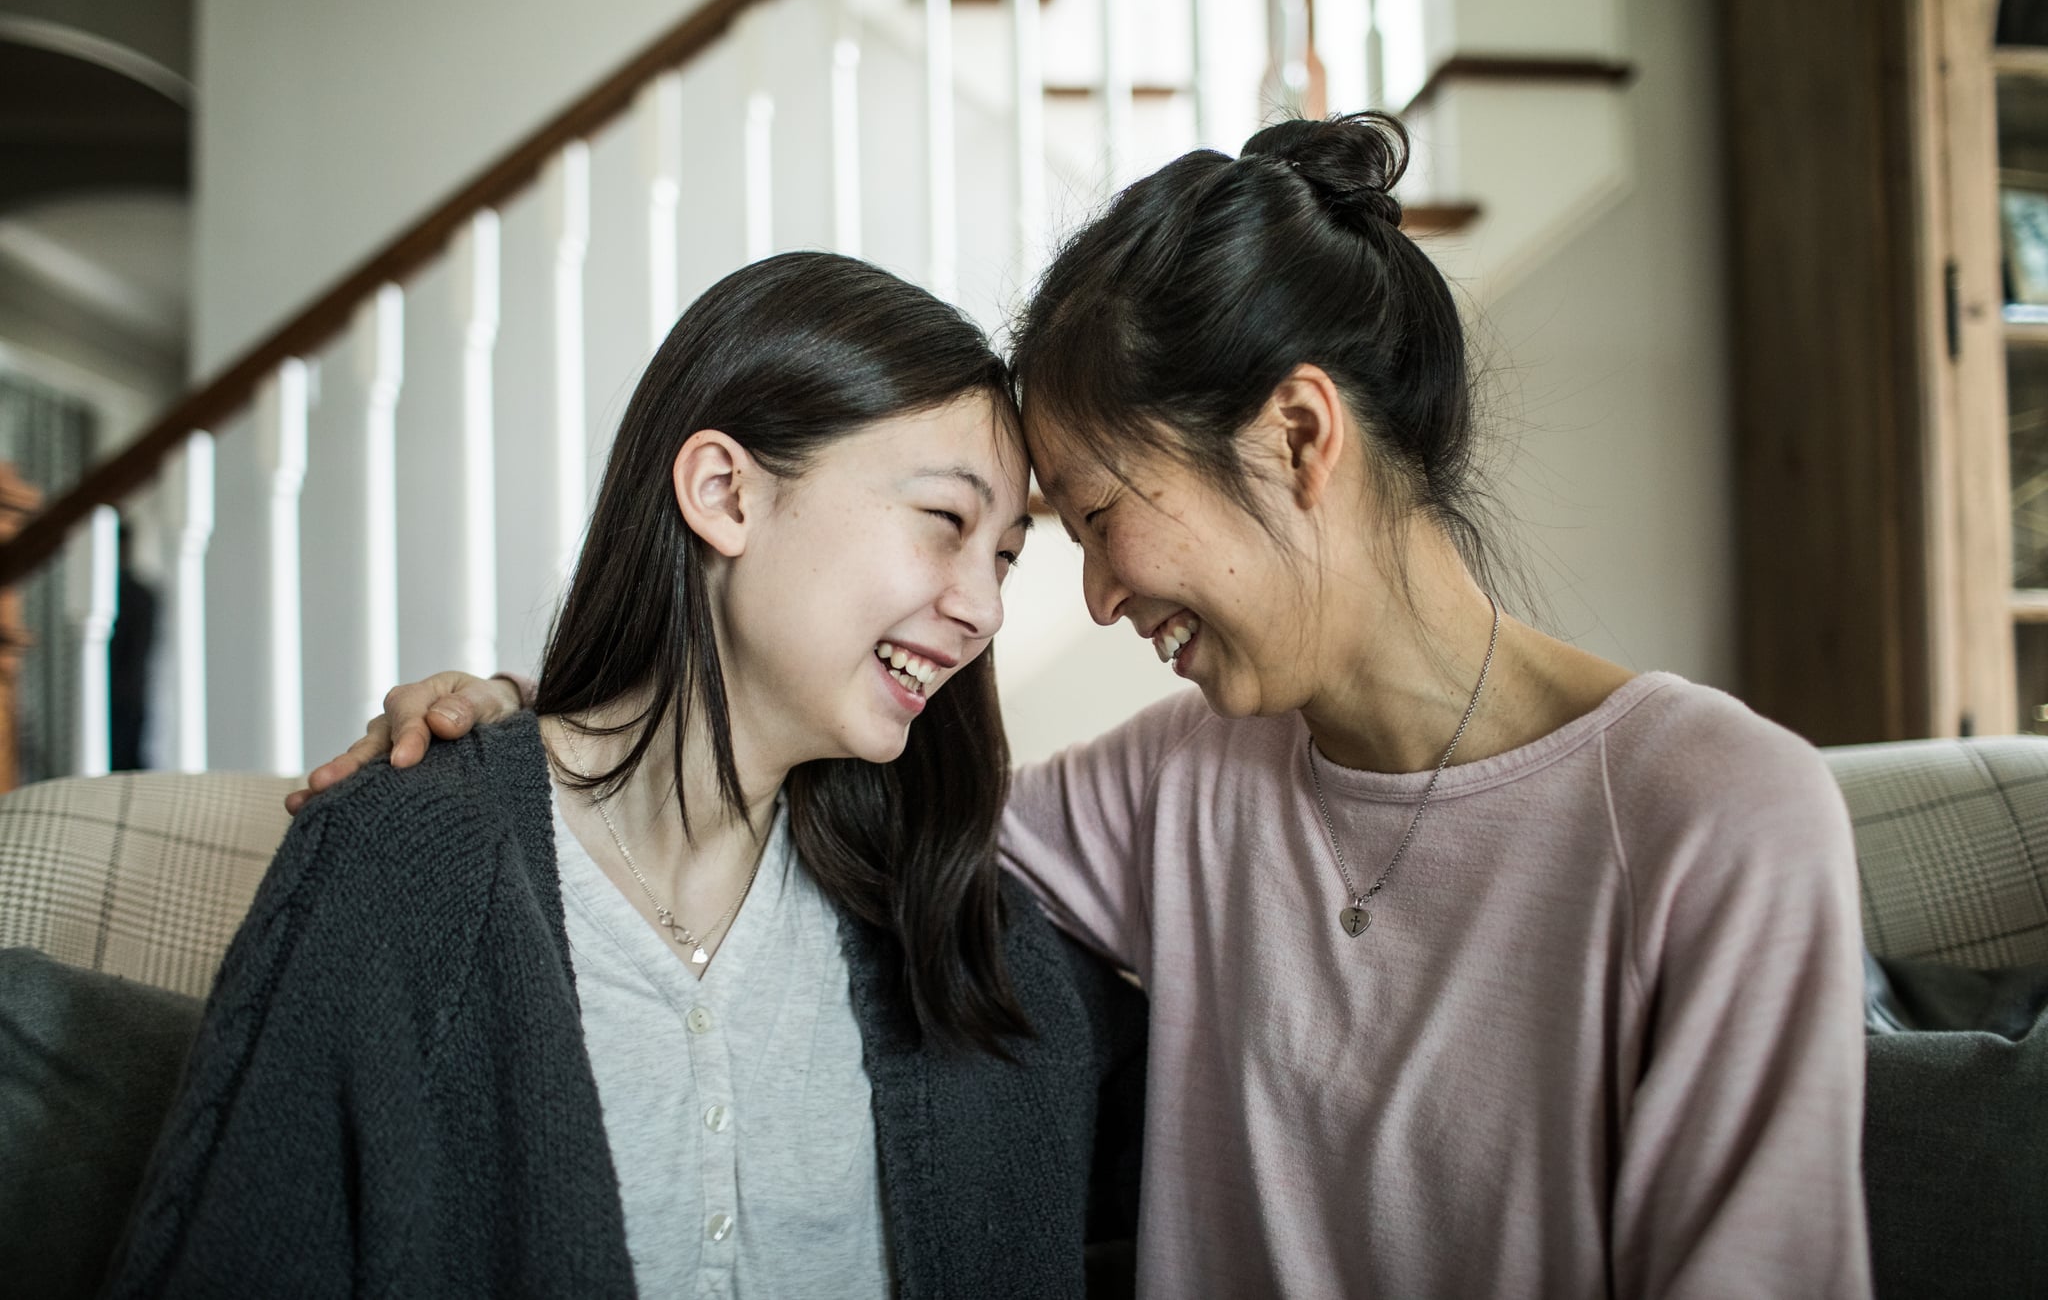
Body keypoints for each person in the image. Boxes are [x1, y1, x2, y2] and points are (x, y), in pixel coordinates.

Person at [305, 114, 1871, 1298]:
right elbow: (770, 786)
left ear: (1300, 436)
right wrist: (535, 725)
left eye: (1093, 517)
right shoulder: (1174, 790)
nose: (1093, 600)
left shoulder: (1718, 817)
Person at [109, 253, 1144, 1299]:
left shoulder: (960, 913)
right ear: (722, 492)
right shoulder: (403, 860)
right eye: (945, 523)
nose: (984, 608)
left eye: (1005, 555)